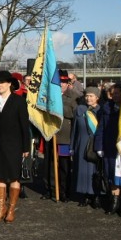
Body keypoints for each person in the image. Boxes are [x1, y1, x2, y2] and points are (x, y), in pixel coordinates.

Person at [0, 71, 30, 223]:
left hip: (14, 145)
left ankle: (11, 209)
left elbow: (24, 126)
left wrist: (26, 148)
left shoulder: (18, 101)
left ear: (9, 84)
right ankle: (1, 209)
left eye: (1, 82)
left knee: (14, 176)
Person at [95, 83, 121, 217]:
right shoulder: (106, 108)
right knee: (113, 175)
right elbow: (101, 129)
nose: (115, 96)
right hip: (110, 146)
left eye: (118, 93)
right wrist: (99, 146)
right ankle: (114, 202)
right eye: (113, 93)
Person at [42, 70, 79, 202]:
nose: (61, 84)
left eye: (64, 82)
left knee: (64, 166)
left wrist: (58, 106)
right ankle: (50, 190)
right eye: (59, 82)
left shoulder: (74, 97)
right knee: (50, 165)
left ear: (68, 83)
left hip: (65, 137)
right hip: (51, 135)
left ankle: (64, 191)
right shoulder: (49, 95)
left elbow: (75, 114)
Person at [71, 86, 102, 208]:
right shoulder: (79, 110)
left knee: (95, 170)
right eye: (87, 96)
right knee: (82, 170)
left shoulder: (101, 110)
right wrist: (72, 147)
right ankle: (84, 195)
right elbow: (74, 130)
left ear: (97, 98)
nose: (88, 98)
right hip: (82, 143)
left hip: (95, 144)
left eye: (91, 96)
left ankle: (95, 195)